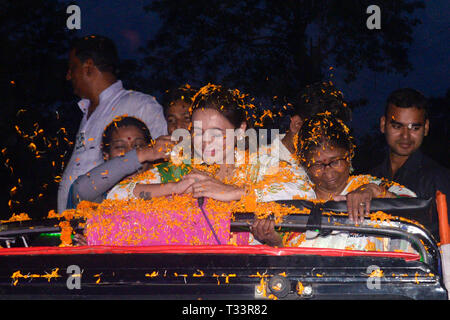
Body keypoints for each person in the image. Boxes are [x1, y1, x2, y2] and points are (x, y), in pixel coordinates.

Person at [251, 113, 416, 247]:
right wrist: (273, 240)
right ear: (304, 164)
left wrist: (373, 191)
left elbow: (417, 210)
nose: (328, 172)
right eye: (317, 165)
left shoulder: (370, 185)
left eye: (335, 161)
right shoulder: (292, 196)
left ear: (349, 155)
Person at [58, 35, 167, 213]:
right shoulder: (87, 111)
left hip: (117, 225)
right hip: (75, 228)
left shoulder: (139, 105)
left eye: (72, 68)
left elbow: (163, 164)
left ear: (88, 66)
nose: (68, 76)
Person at [370, 88, 450, 240]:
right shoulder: (370, 177)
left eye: (414, 127)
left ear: (425, 128)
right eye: (397, 126)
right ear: (383, 124)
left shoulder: (439, 178)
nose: (405, 136)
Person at [68, 116, 172, 208]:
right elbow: (81, 189)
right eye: (120, 147)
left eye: (138, 145)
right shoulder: (101, 193)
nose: (130, 152)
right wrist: (142, 154)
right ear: (106, 155)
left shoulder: (168, 179)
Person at [269, 81, 352, 165]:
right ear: (297, 125)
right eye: (319, 135)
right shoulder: (262, 166)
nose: (327, 142)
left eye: (334, 135)